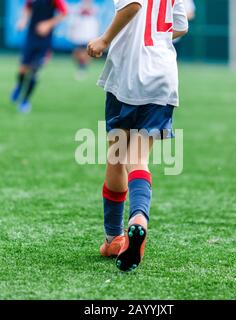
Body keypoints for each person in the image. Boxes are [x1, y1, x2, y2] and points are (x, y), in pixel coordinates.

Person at [87, 0, 188, 272]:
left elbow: (132, 5)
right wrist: (154, 37)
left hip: (128, 75)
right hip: (163, 75)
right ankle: (138, 220)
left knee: (118, 155)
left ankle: (114, 236)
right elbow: (181, 26)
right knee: (138, 156)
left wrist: (105, 39)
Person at [11, 0, 68, 113]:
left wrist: (48, 24)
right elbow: (27, 8)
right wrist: (23, 21)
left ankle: (25, 101)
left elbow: (64, 13)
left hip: (45, 41)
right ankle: (19, 85)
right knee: (23, 69)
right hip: (31, 37)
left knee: (34, 70)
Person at [68, 0, 99, 80]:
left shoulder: (94, 8)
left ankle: (83, 68)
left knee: (86, 53)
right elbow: (73, 19)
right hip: (78, 34)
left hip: (88, 34)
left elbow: (94, 18)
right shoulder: (77, 7)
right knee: (77, 52)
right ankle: (80, 67)